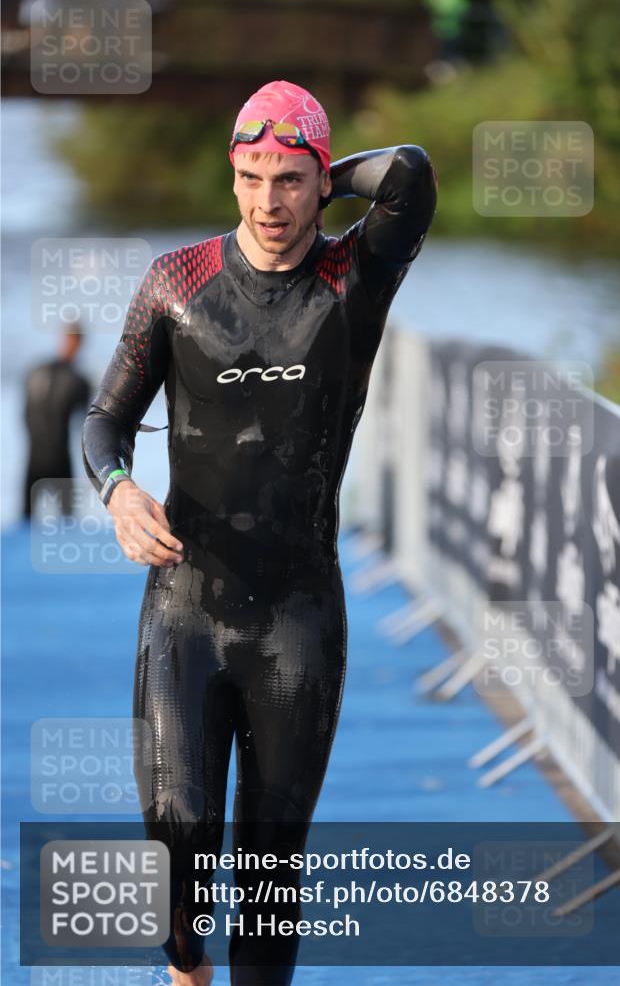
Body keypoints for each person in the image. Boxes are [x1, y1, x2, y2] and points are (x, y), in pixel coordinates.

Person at [82, 80, 437, 985]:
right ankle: (185, 965)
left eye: (289, 181)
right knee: (176, 855)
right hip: (185, 609)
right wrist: (118, 493)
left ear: (320, 185)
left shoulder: (353, 280)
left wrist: (319, 165)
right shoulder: (177, 281)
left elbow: (410, 174)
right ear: (230, 175)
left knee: (271, 872)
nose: (268, 202)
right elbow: (105, 422)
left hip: (296, 617)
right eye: (250, 177)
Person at [23, 323, 90, 519]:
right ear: (80, 343)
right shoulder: (79, 380)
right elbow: (89, 426)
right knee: (66, 519)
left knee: (27, 519)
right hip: (58, 458)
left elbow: (25, 415)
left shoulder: (37, 371)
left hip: (35, 458)